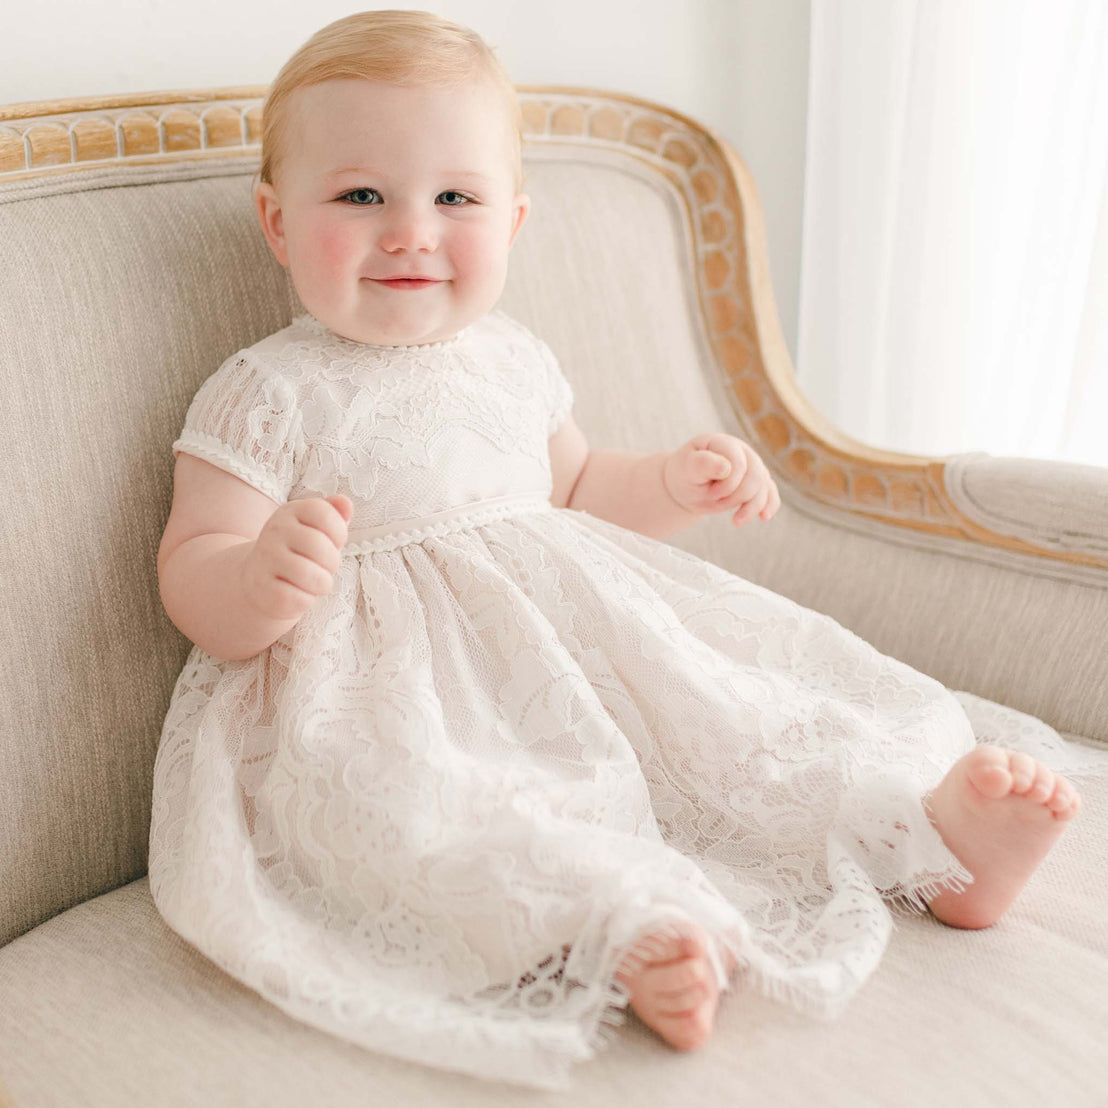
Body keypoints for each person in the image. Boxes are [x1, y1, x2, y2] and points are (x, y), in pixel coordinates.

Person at [149, 9, 1107, 1093]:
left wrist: (669, 483)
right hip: (390, 699)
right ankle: (626, 926)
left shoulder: (511, 356)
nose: (411, 230)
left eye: (454, 198)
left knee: (741, 719)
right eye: (360, 195)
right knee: (447, 817)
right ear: (278, 223)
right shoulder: (266, 389)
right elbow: (193, 568)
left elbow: (575, 489)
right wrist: (257, 575)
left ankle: (927, 837)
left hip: (581, 654)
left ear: (511, 220)